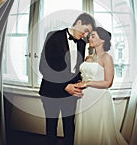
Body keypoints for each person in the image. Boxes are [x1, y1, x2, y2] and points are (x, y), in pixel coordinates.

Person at [39, 13, 96, 145]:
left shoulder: (82, 44)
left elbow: (76, 70)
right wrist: (65, 86)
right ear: (79, 23)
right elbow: (44, 67)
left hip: (71, 94)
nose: (86, 35)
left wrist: (79, 83)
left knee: (70, 127)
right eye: (86, 31)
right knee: (51, 127)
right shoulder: (53, 36)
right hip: (51, 91)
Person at [74, 27, 128, 145]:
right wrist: (80, 83)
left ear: (102, 40)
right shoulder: (88, 58)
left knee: (99, 129)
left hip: (99, 98)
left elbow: (108, 82)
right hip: (84, 98)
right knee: (86, 128)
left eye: (93, 36)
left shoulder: (106, 58)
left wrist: (87, 83)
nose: (90, 38)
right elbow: (85, 76)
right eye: (90, 36)